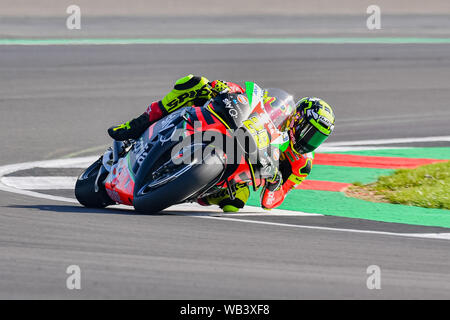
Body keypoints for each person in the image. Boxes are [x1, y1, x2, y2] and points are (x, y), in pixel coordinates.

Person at [108, 75, 335, 212]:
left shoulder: (302, 164)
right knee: (194, 84)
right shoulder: (280, 106)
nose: (309, 141)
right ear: (297, 119)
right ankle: (136, 125)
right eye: (309, 132)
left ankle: (188, 185)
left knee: (234, 204)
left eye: (317, 138)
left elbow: (273, 200)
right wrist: (228, 88)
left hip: (243, 171)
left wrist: (275, 182)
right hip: (238, 132)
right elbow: (253, 97)